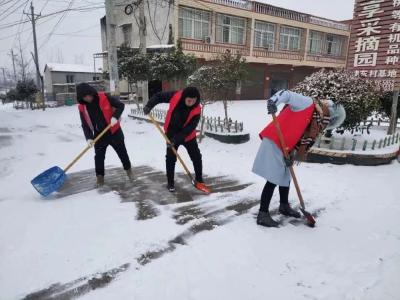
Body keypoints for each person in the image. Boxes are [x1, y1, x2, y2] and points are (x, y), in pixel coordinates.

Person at [253, 90, 346, 227]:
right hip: (275, 141)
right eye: (329, 119)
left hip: (286, 146)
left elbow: (300, 134)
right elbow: (286, 94)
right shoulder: (308, 104)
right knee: (273, 178)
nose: (326, 123)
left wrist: (292, 154)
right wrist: (273, 102)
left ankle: (284, 206)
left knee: (286, 176)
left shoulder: (317, 118)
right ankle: (263, 214)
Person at [143, 87, 204, 192]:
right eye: (189, 100)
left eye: (194, 101)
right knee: (171, 159)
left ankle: (199, 179)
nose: (191, 103)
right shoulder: (175, 96)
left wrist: (177, 139)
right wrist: (149, 105)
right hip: (171, 133)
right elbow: (159, 96)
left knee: (196, 157)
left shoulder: (197, 109)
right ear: (184, 97)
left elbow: (190, 128)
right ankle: (170, 183)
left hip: (188, 136)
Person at [76, 83, 133, 187]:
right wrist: (88, 138)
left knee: (122, 153)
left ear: (91, 92)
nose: (87, 98)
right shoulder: (82, 107)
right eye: (84, 97)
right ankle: (100, 178)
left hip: (114, 132)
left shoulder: (104, 97)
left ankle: (129, 171)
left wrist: (115, 117)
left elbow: (121, 105)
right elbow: (85, 124)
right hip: (99, 135)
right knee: (99, 157)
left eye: (88, 95)